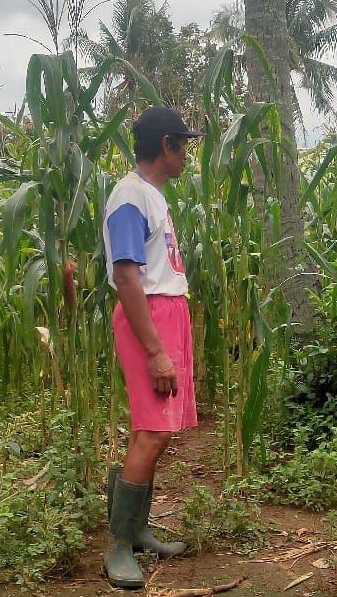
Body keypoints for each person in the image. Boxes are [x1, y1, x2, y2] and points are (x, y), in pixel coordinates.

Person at [102, 106, 203, 589]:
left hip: (166, 312)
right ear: (166, 145)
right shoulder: (130, 196)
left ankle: (137, 530)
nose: (187, 154)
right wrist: (156, 350)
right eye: (184, 144)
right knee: (154, 434)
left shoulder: (150, 195)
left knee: (152, 430)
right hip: (150, 317)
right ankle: (118, 545)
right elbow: (126, 276)